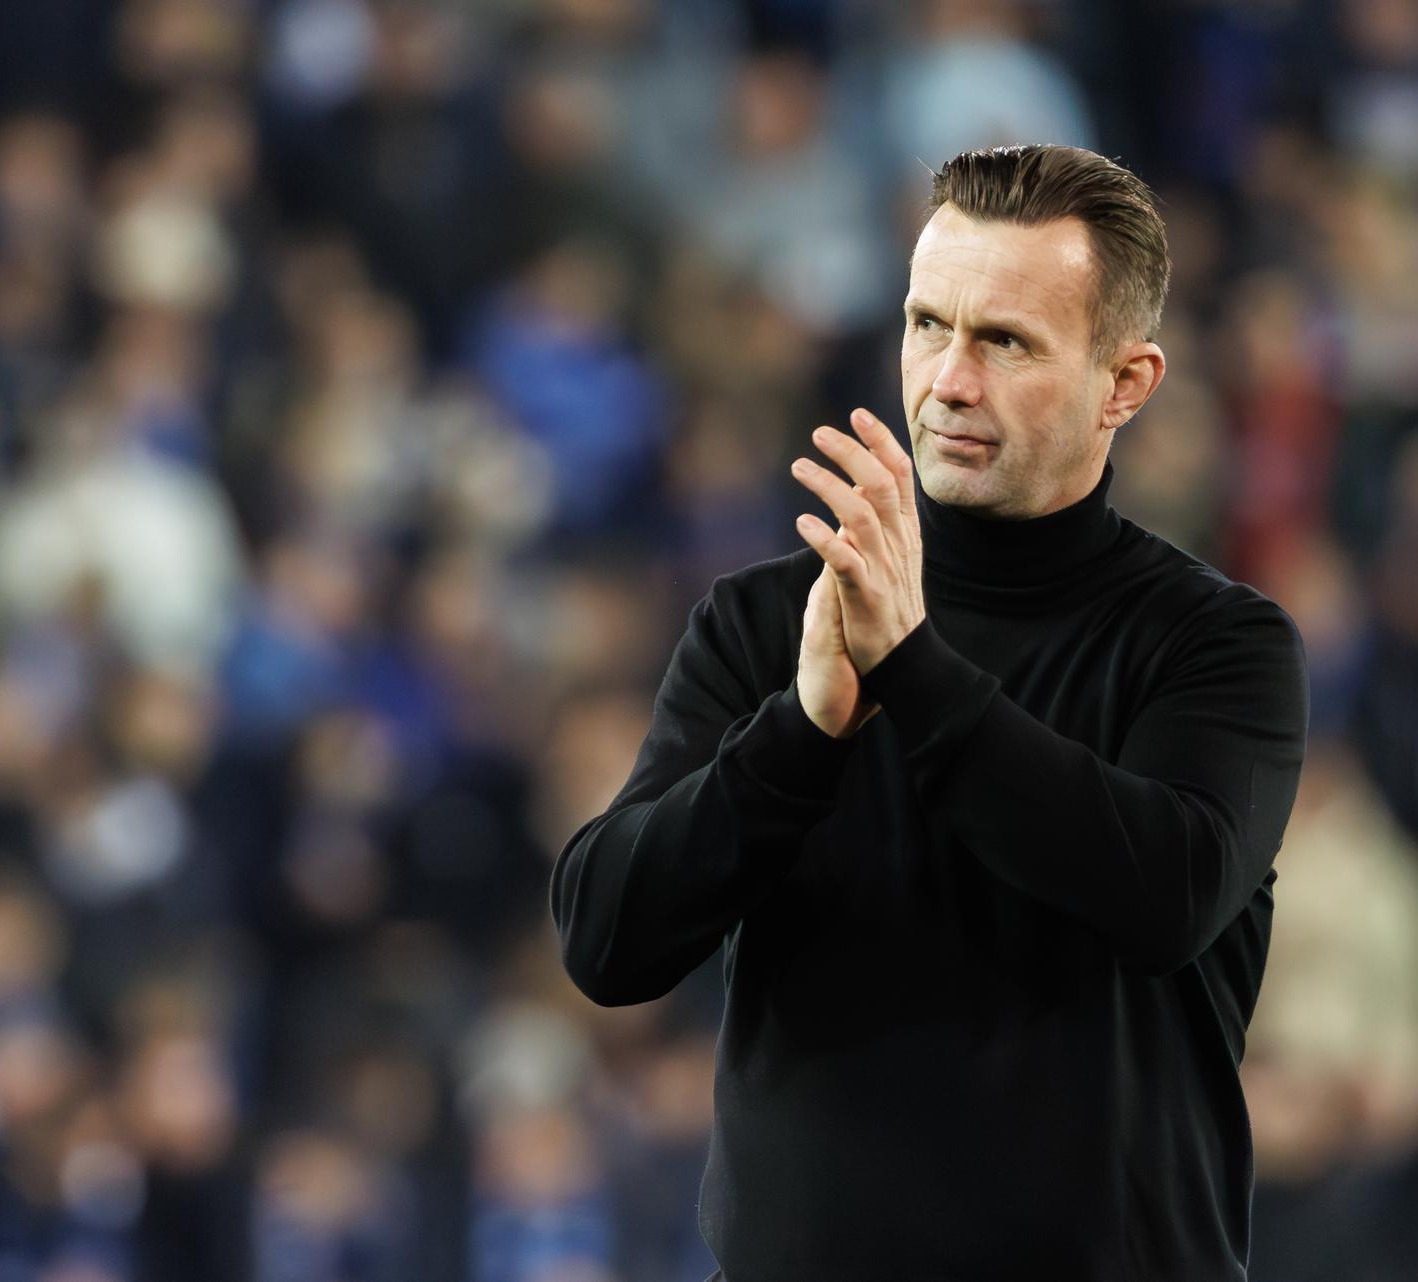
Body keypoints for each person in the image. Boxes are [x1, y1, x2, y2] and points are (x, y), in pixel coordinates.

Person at [550, 144, 1310, 1280]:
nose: (949, 380)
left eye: (1005, 341)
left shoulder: (1215, 645)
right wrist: (799, 735)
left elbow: (1165, 895)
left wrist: (912, 669)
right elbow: (607, 942)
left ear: (1126, 383)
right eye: (927, 325)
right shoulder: (771, 624)